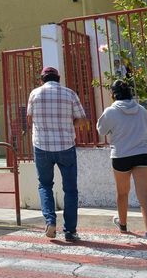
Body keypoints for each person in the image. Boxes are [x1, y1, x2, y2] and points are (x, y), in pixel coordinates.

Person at [27, 66, 88, 242]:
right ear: (58, 78)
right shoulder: (70, 94)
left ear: (41, 79)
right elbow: (82, 119)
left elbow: (29, 119)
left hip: (42, 146)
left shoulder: (34, 94)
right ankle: (70, 230)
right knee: (70, 189)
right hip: (66, 146)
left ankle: (50, 221)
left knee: (45, 185)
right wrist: (69, 124)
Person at [97, 80, 147, 245]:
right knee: (145, 195)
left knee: (122, 192)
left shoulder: (110, 111)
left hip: (121, 155)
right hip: (143, 154)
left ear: (113, 94)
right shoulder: (142, 110)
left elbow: (101, 130)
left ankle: (123, 225)